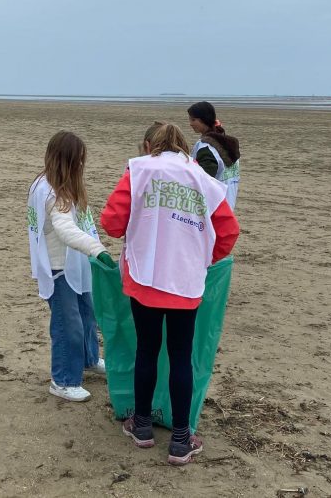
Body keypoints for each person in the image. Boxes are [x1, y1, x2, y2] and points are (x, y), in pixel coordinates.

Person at [100, 123, 239, 465]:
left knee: (147, 351)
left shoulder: (139, 169)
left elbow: (112, 223)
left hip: (145, 279)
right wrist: (201, 258)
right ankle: (180, 439)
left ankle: (143, 426)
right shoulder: (204, 181)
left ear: (151, 145)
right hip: (185, 283)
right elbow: (229, 232)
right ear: (183, 146)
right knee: (181, 356)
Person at [28, 131, 116, 402]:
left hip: (76, 265)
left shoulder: (63, 187)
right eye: (77, 160)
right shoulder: (51, 192)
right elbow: (66, 230)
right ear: (65, 160)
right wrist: (98, 251)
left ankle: (89, 358)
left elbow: (81, 223)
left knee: (87, 314)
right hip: (59, 268)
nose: (81, 165)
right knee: (68, 324)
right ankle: (63, 379)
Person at [186, 101, 241, 209]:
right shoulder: (228, 144)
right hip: (228, 204)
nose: (190, 123)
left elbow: (203, 181)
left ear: (204, 119)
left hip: (213, 209)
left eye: (193, 119)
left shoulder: (206, 148)